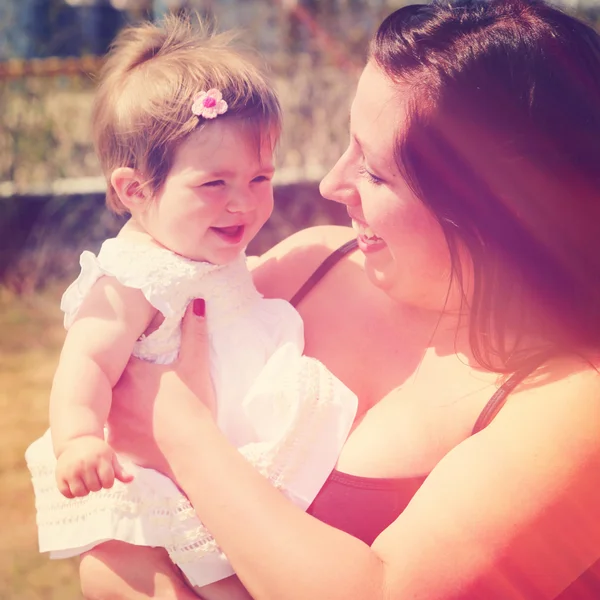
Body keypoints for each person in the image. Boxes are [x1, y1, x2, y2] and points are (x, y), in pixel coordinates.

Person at [78, 0, 600, 598]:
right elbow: (112, 511)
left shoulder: (573, 402)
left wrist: (180, 432)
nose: (332, 184)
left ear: (494, 210)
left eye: (375, 173)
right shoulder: (312, 267)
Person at [24, 14, 358, 598]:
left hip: (226, 444)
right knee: (189, 570)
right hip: (164, 472)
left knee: (252, 561)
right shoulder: (133, 276)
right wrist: (77, 437)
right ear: (135, 191)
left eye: (259, 178)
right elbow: (89, 363)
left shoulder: (207, 252)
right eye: (214, 185)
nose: (243, 204)